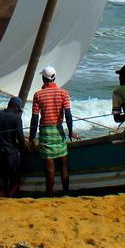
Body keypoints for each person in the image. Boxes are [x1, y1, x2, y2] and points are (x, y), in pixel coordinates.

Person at [29, 66, 73, 195]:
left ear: (43, 78)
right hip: (59, 131)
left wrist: (31, 138)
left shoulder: (38, 95)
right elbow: (68, 115)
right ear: (54, 78)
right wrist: (70, 132)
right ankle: (66, 192)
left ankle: (50, 195)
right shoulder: (63, 93)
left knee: (50, 169)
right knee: (64, 166)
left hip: (46, 133)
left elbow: (35, 118)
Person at [0, 97, 28, 197]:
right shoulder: (17, 118)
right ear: (14, 106)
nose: (18, 112)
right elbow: (20, 138)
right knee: (14, 179)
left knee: (1, 179)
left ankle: (2, 198)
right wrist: (26, 146)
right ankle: (10, 198)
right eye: (18, 109)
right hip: (11, 153)